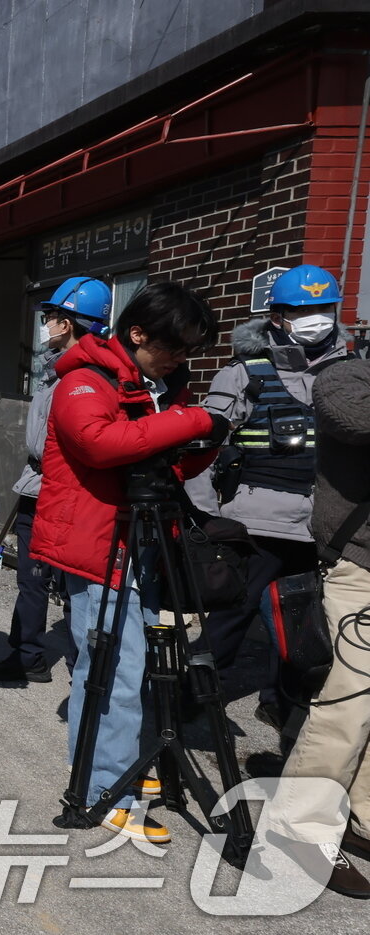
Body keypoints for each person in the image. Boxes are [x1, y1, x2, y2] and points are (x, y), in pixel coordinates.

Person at [31, 281, 226, 843]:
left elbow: (168, 466)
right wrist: (194, 421)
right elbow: (101, 443)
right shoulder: (83, 381)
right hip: (96, 544)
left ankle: (123, 767)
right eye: (176, 348)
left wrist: (205, 439)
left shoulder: (147, 385)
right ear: (137, 334)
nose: (181, 360)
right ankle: (102, 789)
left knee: (144, 664)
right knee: (113, 669)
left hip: (142, 539)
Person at [186, 265, 352, 732]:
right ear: (277, 316)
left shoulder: (352, 375)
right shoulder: (245, 374)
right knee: (228, 618)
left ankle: (283, 705)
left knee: (303, 628)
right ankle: (188, 699)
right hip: (254, 524)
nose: (315, 319)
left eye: (323, 309)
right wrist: (208, 516)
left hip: (321, 525)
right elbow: (202, 446)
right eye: (302, 311)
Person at [260, 354, 370, 898]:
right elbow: (354, 417)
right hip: (358, 564)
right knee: (348, 702)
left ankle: (360, 815)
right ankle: (298, 826)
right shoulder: (347, 377)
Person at [0, 277, 110, 684]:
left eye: (52, 316)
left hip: (50, 490)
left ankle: (29, 658)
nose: (47, 324)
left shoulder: (70, 377)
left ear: (68, 323)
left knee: (36, 580)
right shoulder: (99, 369)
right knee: (77, 586)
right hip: (80, 494)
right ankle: (80, 666)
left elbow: (39, 443)